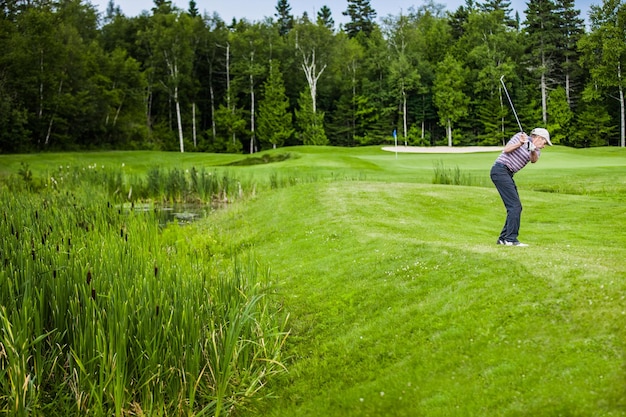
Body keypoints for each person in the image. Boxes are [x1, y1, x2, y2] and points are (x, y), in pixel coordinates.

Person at [490, 128, 552, 246]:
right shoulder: (520, 136)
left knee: (514, 206)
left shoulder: (537, 150)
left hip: (507, 174)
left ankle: (503, 239)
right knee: (515, 206)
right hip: (500, 170)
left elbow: (534, 160)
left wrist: (532, 149)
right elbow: (506, 150)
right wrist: (520, 143)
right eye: (545, 142)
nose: (544, 146)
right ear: (539, 137)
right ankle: (511, 239)